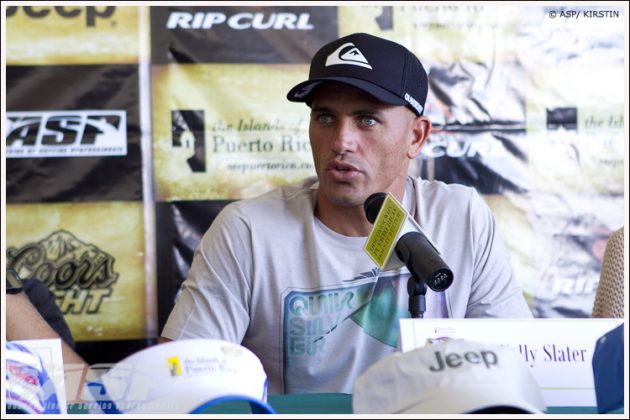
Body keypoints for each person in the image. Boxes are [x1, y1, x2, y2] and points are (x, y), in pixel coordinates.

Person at [160, 32, 532, 394]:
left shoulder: (462, 218)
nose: (341, 142)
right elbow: (178, 383)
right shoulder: (248, 231)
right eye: (325, 118)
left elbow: (515, 367)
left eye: (367, 120)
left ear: (416, 137)